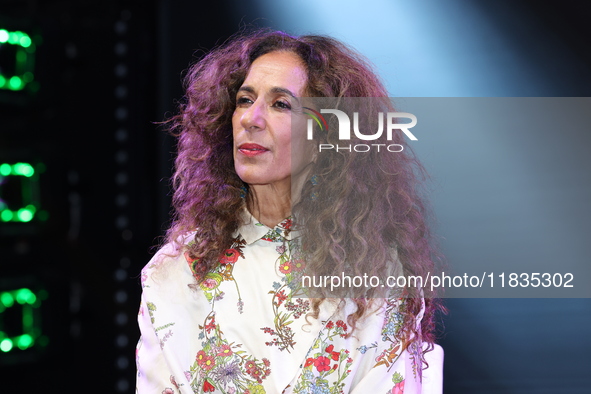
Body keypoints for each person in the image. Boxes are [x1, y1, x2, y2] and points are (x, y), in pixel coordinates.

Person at [136, 29, 443, 394]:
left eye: (281, 104)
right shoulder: (174, 271)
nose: (251, 118)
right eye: (244, 100)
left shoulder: (377, 275)